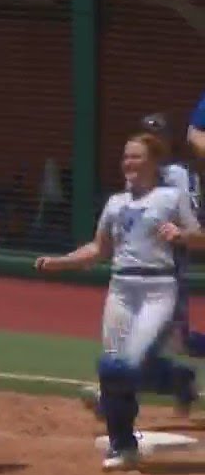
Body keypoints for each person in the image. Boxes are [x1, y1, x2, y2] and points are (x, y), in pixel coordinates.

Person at [36, 132, 205, 470]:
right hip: (121, 288)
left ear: (154, 162)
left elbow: (200, 239)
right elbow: (98, 250)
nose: (128, 162)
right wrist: (60, 262)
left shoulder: (171, 198)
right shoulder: (116, 203)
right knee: (113, 368)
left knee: (124, 366)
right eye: (126, 156)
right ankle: (123, 444)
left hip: (158, 288)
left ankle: (175, 381)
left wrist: (182, 236)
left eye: (136, 156)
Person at [79, 113, 200, 420]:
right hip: (135, 274)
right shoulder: (139, 169)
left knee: (169, 343)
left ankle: (125, 394)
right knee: (154, 345)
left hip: (169, 271)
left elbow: (187, 222)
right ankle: (173, 381)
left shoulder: (178, 177)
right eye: (148, 134)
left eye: (158, 135)